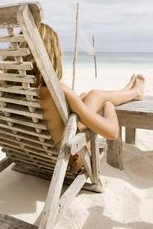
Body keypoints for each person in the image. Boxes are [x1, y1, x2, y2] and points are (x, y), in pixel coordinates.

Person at [16, 23, 145, 172]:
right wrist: (108, 104)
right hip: (69, 160)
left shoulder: (7, 91)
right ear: (52, 55)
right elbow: (112, 132)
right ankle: (133, 93)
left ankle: (124, 92)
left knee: (86, 96)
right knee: (96, 96)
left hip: (33, 155)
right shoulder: (58, 90)